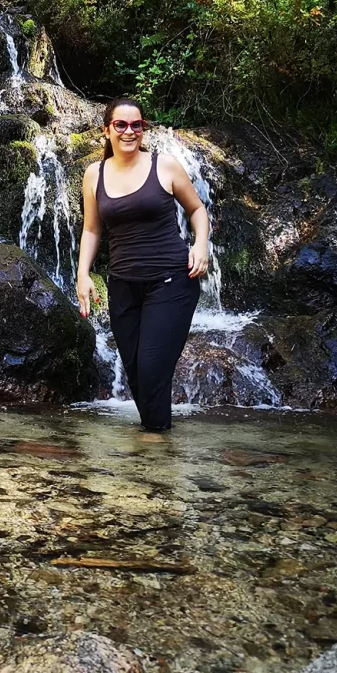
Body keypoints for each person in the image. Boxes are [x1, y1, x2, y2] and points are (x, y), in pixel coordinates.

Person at [76, 96, 209, 432]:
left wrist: (201, 244)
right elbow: (92, 228)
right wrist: (82, 273)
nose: (129, 131)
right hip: (123, 285)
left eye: (136, 125)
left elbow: (197, 209)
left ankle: (154, 445)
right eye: (120, 124)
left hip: (172, 280)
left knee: (151, 367)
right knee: (136, 371)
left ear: (143, 129)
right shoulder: (94, 175)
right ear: (106, 130)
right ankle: (158, 442)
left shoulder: (164, 166)